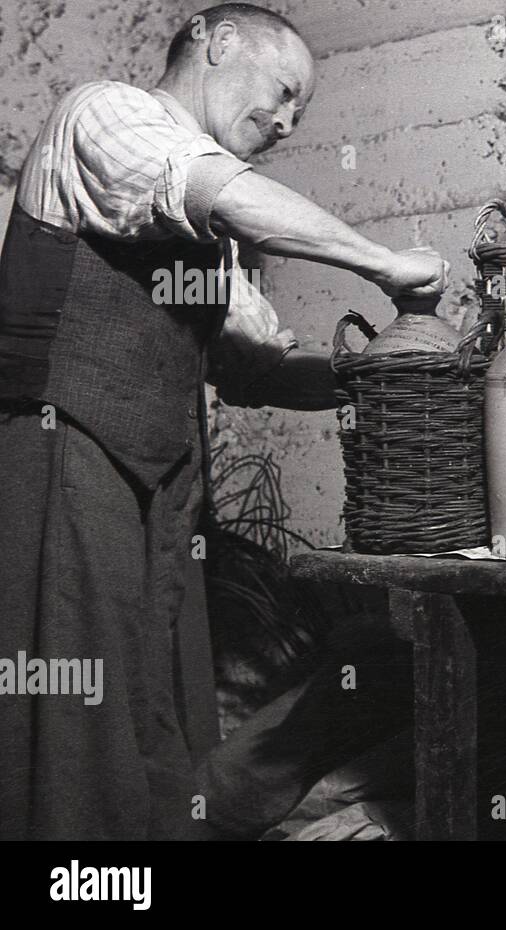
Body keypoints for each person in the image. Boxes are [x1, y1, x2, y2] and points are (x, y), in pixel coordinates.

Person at [0, 2, 448, 840]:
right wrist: (384, 263)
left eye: (298, 112)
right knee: (75, 710)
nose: (285, 122)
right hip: (68, 454)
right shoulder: (104, 115)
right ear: (220, 39)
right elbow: (213, 189)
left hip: (157, 484)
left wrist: (385, 372)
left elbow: (257, 368)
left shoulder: (210, 245)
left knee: (152, 707)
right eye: (284, 91)